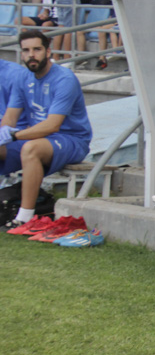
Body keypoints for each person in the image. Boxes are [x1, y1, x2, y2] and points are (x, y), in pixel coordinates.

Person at [0, 30, 92, 230]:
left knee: (30, 149)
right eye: (26, 50)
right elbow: (10, 117)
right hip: (38, 137)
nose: (32, 54)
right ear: (21, 54)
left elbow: (52, 125)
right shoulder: (22, 77)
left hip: (71, 139)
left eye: (37, 49)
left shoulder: (64, 78)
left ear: (48, 51)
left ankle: (25, 217)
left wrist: (13, 135)